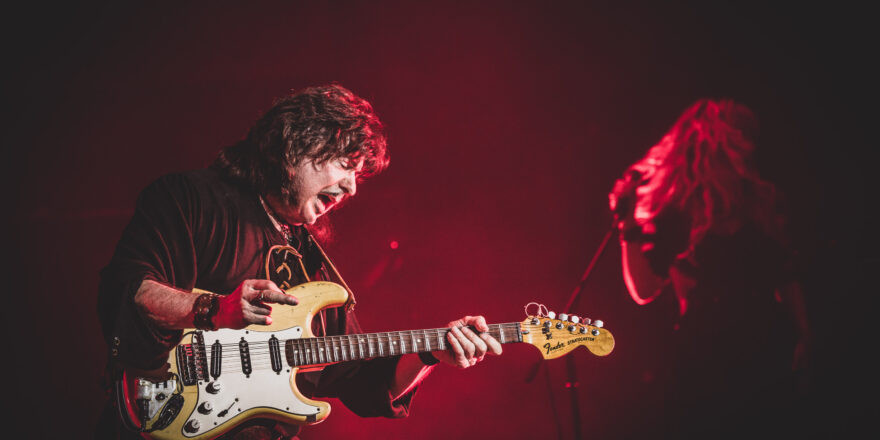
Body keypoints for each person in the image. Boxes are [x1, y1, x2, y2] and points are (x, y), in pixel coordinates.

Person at [96, 84, 502, 439]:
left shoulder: (313, 266)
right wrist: (215, 310)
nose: (352, 187)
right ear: (298, 144)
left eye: (358, 175)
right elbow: (128, 289)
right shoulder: (191, 199)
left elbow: (358, 380)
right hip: (161, 411)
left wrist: (431, 353)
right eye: (346, 166)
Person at [608, 99, 811, 438]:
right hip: (707, 356)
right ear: (715, 145)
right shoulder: (677, 214)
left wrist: (806, 336)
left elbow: (787, 276)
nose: (749, 148)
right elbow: (644, 290)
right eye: (740, 139)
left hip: (766, 350)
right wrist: (627, 226)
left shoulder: (758, 202)